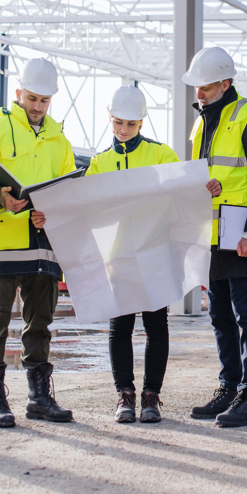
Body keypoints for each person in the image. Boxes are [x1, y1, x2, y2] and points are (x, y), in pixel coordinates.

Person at [0, 57, 77, 427]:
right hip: (3, 242)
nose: (37, 107)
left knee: (40, 325)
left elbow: (68, 193)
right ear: (18, 93)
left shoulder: (60, 142)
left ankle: (40, 397)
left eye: (44, 100)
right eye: (32, 98)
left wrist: (54, 211)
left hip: (44, 244)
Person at [182, 47, 247, 428]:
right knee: (220, 317)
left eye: (205, 87)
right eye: (197, 87)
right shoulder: (201, 123)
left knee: (246, 315)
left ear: (225, 82)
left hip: (240, 234)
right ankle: (228, 386)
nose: (199, 93)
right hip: (212, 233)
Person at [85, 84, 190, 423]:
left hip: (155, 253)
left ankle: (151, 396)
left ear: (142, 123)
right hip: (118, 256)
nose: (123, 130)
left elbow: (183, 193)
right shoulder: (100, 162)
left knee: (157, 325)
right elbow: (84, 207)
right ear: (110, 119)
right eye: (118, 123)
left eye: (130, 124)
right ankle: (124, 395)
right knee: (121, 327)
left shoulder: (161, 155)